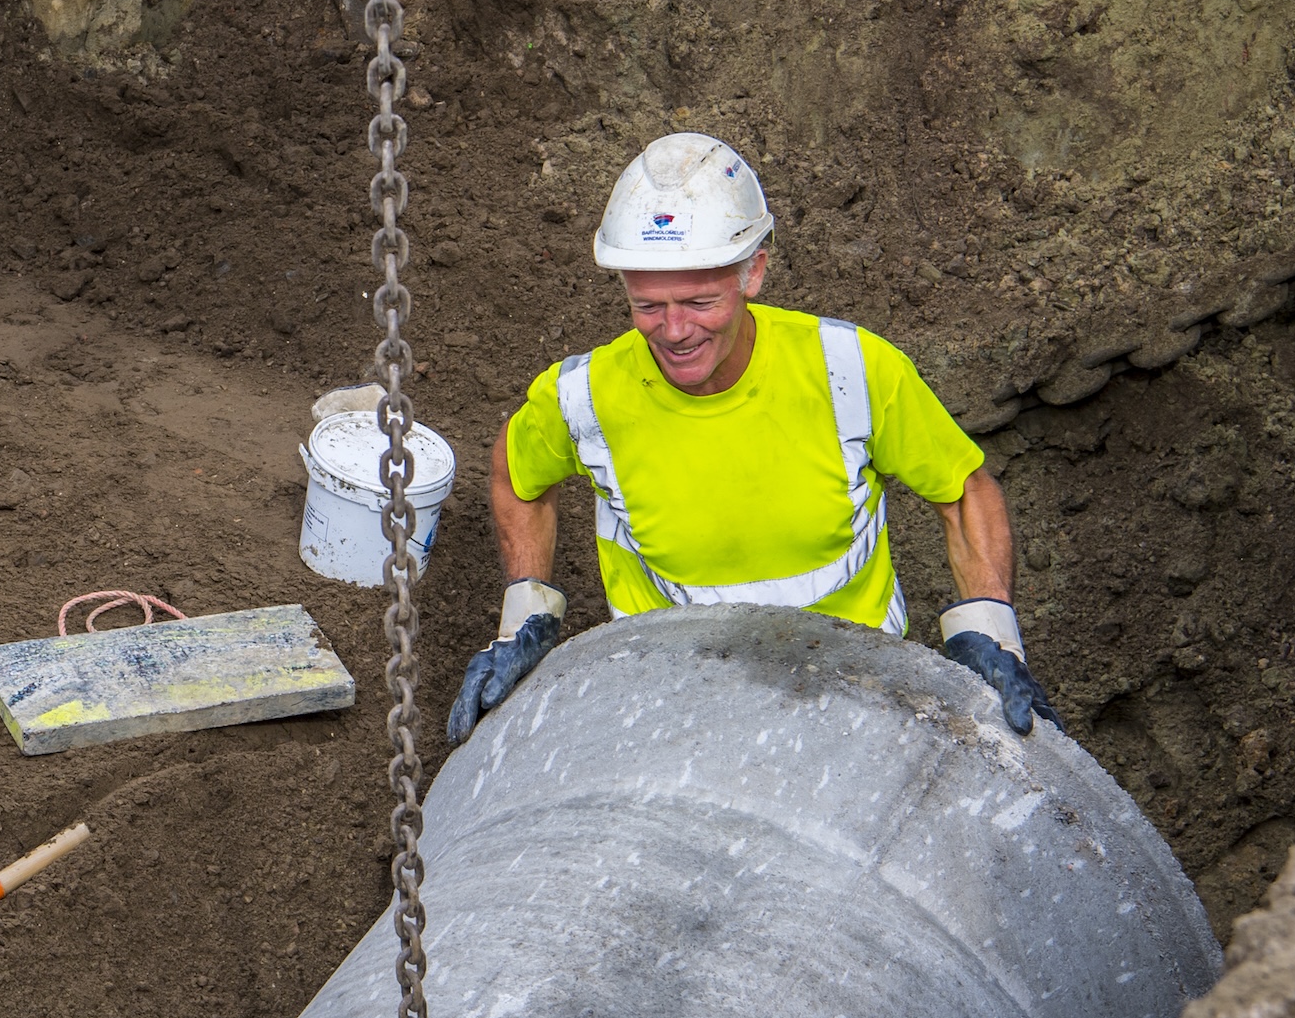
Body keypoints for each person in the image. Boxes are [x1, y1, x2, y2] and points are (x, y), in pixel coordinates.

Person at [447, 132, 1058, 742]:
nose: (675, 330)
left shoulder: (849, 370)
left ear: (754, 272)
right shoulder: (585, 397)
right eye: (648, 306)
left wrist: (989, 631)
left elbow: (962, 490)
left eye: (699, 301)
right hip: (665, 693)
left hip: (854, 691)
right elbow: (515, 473)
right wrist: (525, 617)